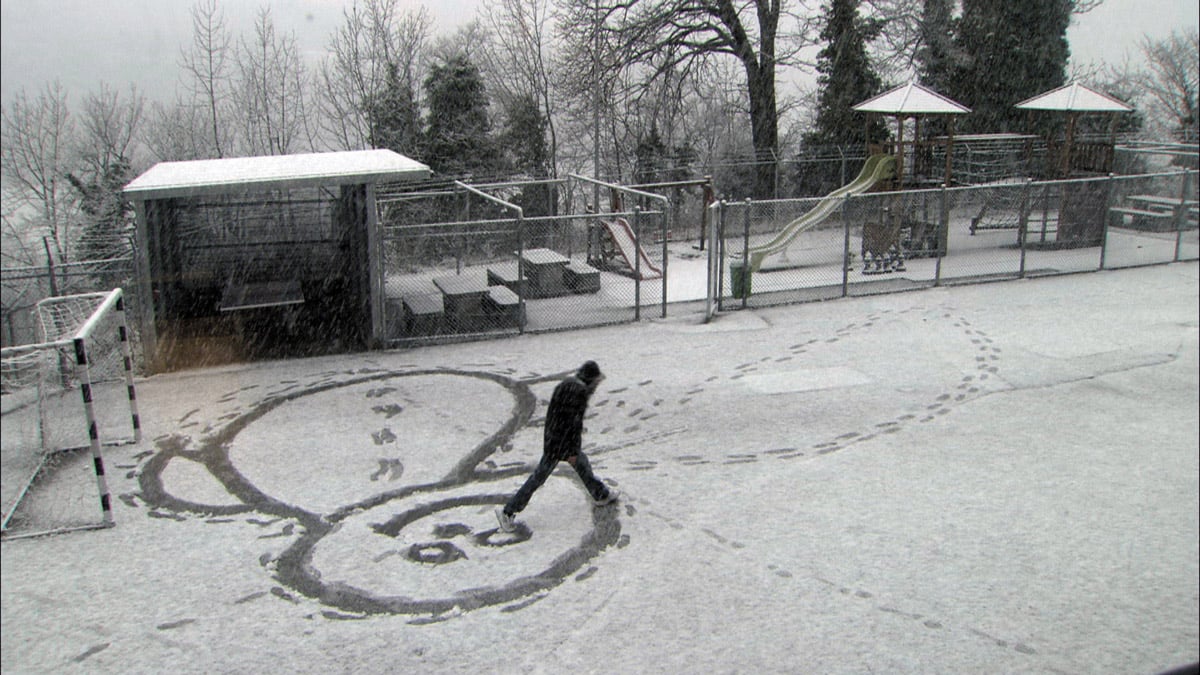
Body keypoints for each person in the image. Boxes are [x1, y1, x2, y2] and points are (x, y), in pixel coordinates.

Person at [496, 360, 619, 532]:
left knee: (582, 465)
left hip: (553, 438)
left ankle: (601, 494)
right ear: (590, 380)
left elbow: (561, 418)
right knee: (539, 477)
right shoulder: (579, 392)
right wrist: (571, 450)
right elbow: (572, 423)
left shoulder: (568, 384)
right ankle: (508, 511)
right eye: (596, 382)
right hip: (559, 443)